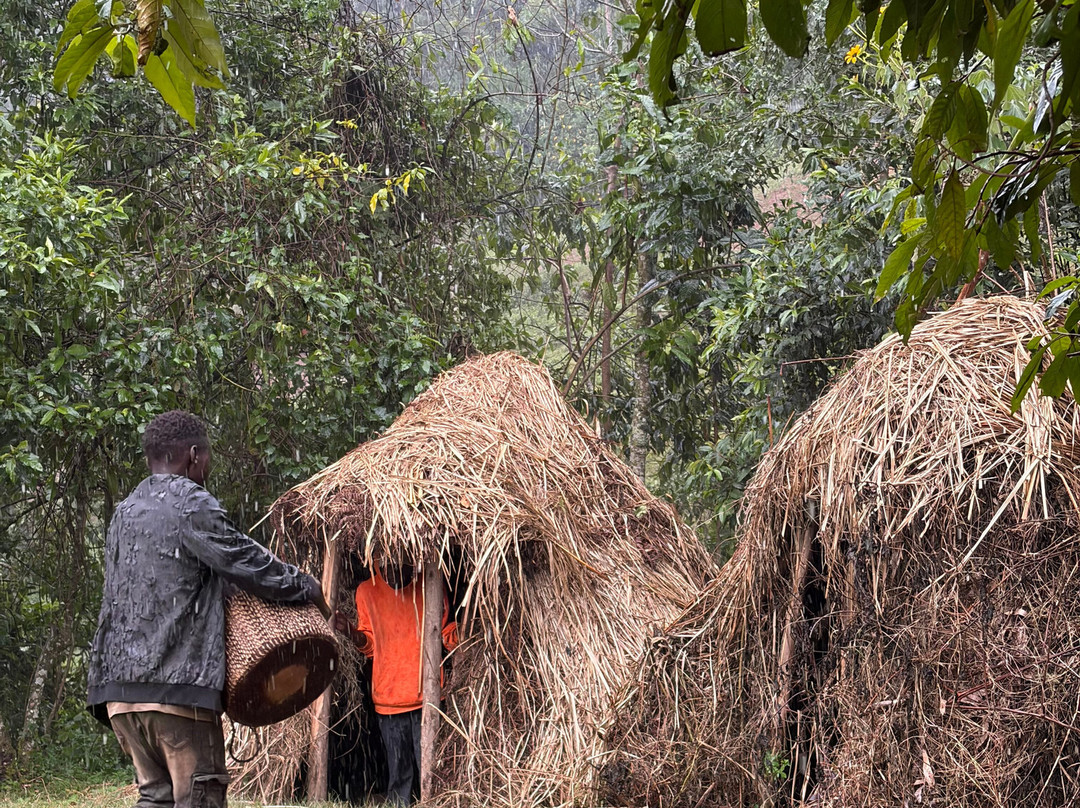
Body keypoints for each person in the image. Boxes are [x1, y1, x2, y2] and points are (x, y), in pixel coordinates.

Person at [87, 410, 329, 808]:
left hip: (121, 698)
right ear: (194, 455)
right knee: (200, 798)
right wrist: (305, 586)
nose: (208, 468)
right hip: (176, 696)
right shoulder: (190, 503)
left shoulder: (124, 512)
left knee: (155, 799)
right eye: (208, 460)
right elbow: (245, 561)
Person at [333, 557, 458, 805]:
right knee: (399, 779)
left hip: (429, 698)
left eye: (404, 569)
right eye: (391, 570)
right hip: (388, 699)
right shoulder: (366, 591)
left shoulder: (430, 583)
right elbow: (369, 647)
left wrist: (466, 633)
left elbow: (446, 633)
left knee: (433, 773)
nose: (397, 576)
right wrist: (350, 632)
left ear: (412, 561)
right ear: (380, 561)